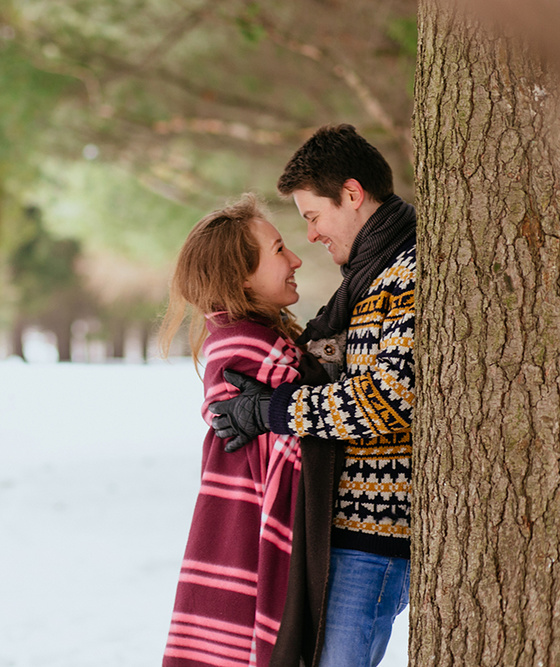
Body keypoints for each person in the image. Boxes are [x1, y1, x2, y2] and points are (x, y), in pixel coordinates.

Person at [209, 124, 415, 667]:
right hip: (354, 533)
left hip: (376, 536)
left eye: (312, 216)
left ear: (351, 194)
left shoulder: (404, 274)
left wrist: (272, 411)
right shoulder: (372, 276)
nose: (312, 236)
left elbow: (388, 400)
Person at [158, 194, 319, 667]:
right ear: (240, 278)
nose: (296, 258)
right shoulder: (250, 363)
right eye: (278, 250)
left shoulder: (266, 351)